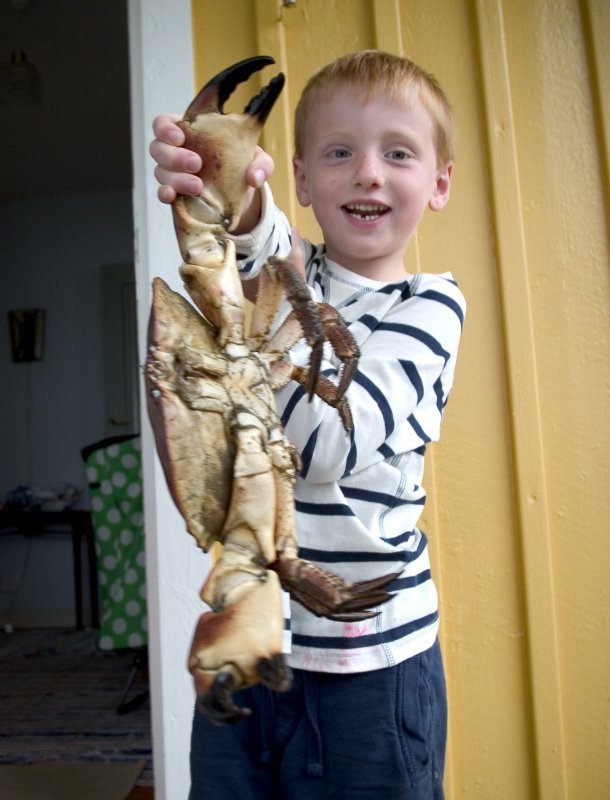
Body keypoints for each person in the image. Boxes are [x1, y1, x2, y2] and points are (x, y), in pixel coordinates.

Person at [150, 50, 466, 799]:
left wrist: (254, 356)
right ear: (299, 178)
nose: (367, 173)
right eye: (338, 152)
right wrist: (211, 173)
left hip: (372, 673)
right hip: (251, 636)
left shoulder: (428, 309)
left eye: (398, 152)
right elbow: (255, 237)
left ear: (439, 182)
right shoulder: (297, 279)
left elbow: (325, 444)